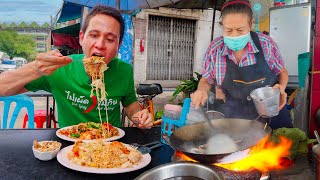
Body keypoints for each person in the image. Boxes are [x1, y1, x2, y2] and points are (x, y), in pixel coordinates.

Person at [0, 5, 153, 129]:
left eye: (110, 39)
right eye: (94, 35)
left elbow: (130, 104)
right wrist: (35, 69)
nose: (100, 45)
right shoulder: (60, 67)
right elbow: (2, 88)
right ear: (81, 38)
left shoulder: (123, 70)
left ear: (118, 45)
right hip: (70, 148)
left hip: (110, 145)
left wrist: (138, 116)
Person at [191, 0, 292, 129]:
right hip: (236, 118)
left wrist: (281, 87)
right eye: (228, 30)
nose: (234, 35)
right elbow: (206, 79)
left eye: (240, 30)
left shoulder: (266, 44)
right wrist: (201, 90)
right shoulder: (215, 49)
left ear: (251, 24)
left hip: (272, 112)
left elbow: (282, 72)